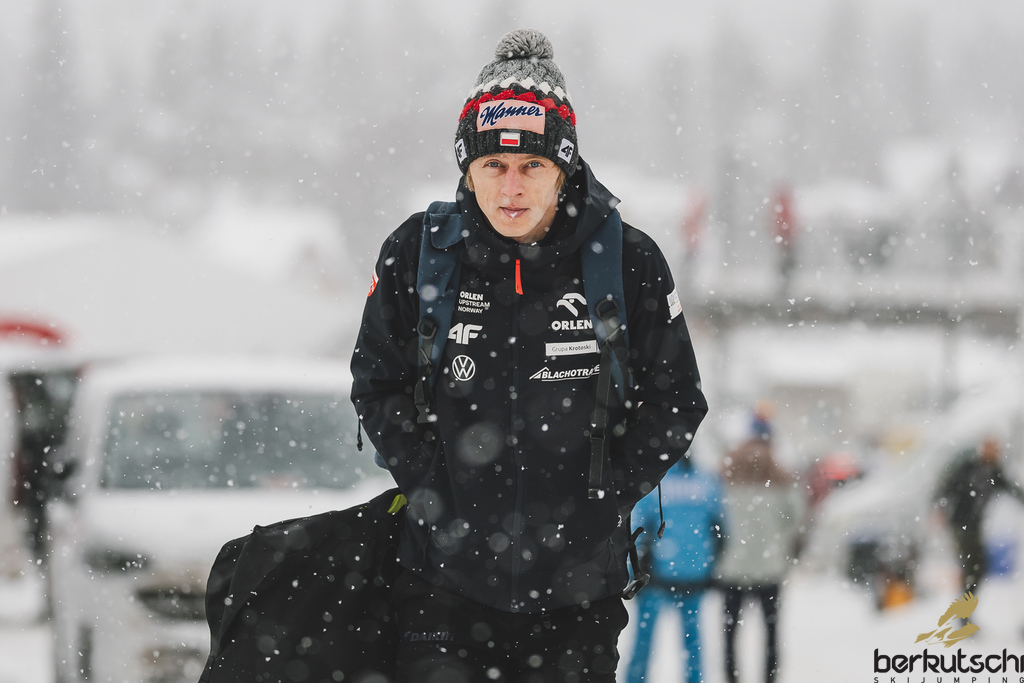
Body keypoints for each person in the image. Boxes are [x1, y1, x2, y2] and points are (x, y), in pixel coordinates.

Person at [350, 28, 707, 683]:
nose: (510, 188)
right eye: (493, 165)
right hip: (441, 586)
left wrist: (601, 501)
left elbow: (677, 400)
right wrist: (433, 491)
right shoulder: (418, 253)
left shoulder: (628, 261)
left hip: (577, 597)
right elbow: (376, 384)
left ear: (563, 169)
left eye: (531, 167)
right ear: (467, 169)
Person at [714, 406, 803, 683]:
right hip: (769, 566)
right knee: (771, 631)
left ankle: (731, 677)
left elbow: (715, 518)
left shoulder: (726, 473)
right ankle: (769, 677)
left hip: (733, 566)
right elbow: (795, 519)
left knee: (730, 632)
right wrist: (778, 540)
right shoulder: (780, 476)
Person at [625, 459, 724, 683]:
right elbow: (721, 528)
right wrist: (712, 567)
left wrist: (634, 573)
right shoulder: (707, 482)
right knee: (693, 643)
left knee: (643, 642)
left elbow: (637, 529)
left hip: (655, 576)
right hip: (695, 574)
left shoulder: (654, 483)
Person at [933, 435, 1024, 595]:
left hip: (975, 525)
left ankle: (966, 601)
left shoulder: (995, 473)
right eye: (990, 449)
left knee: (978, 565)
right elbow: (946, 488)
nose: (994, 453)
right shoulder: (968, 468)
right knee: (972, 564)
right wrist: (939, 509)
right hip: (960, 522)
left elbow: (1013, 490)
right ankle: (964, 603)